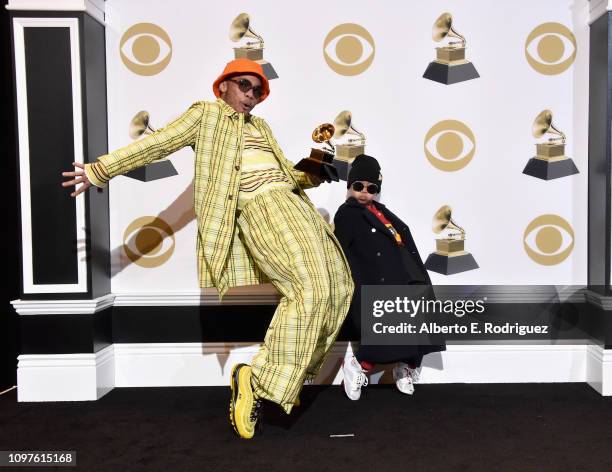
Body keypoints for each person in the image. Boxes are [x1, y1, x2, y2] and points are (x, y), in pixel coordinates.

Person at [61, 58, 354, 438]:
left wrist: (315, 168)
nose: (250, 96)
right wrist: (100, 169)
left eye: (257, 91)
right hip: (261, 208)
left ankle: (287, 378)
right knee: (310, 288)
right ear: (223, 87)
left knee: (340, 287)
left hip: (296, 206)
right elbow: (158, 143)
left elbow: (286, 175)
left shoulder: (261, 127)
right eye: (244, 86)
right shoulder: (206, 115)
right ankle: (259, 379)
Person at [333, 154, 444, 400]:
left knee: (421, 321)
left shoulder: (382, 210)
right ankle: (359, 366)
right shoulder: (347, 213)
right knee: (387, 325)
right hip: (376, 279)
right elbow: (341, 251)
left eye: (371, 188)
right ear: (349, 186)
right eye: (358, 186)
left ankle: (405, 367)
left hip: (406, 275)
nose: (364, 192)